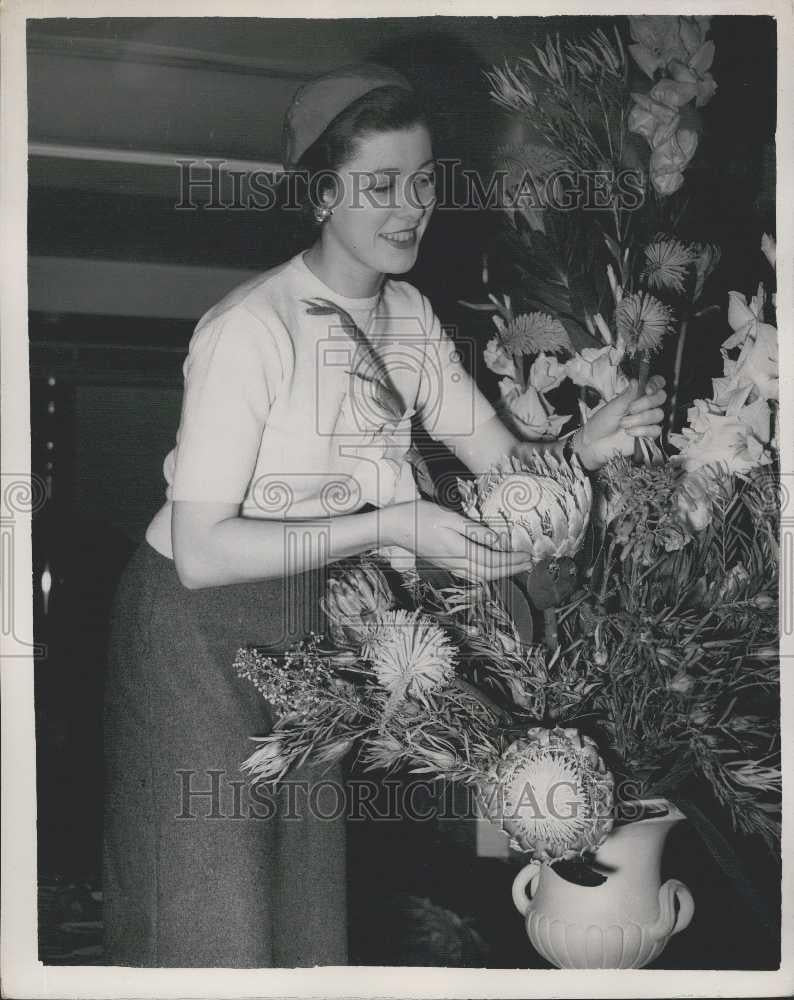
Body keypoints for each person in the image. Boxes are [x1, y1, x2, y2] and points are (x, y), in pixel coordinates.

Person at [102, 63, 667, 969]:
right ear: (321, 195)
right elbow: (203, 553)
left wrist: (585, 452)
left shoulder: (408, 314)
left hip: (311, 621)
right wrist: (391, 525)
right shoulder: (252, 329)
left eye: (425, 180)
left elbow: (502, 465)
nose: (413, 207)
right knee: (211, 916)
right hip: (191, 628)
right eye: (379, 185)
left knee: (303, 916)